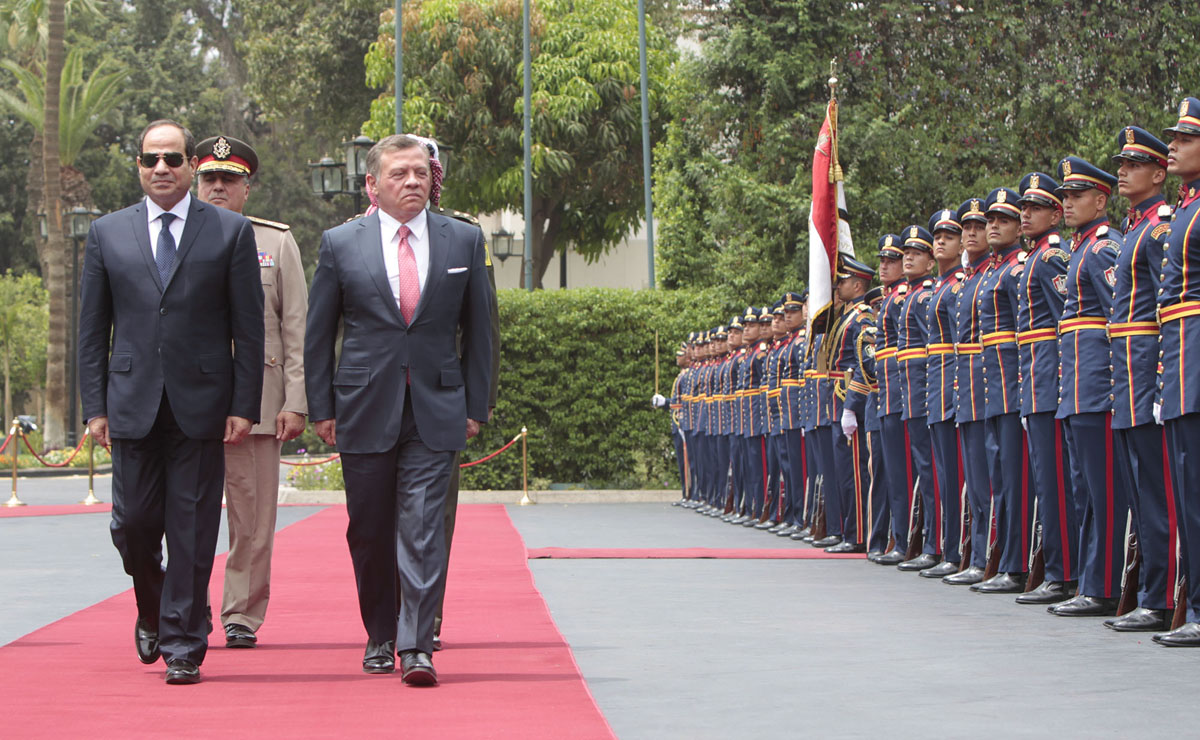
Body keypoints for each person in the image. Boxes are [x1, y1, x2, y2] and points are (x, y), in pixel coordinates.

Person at [77, 119, 265, 684]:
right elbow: (91, 330)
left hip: (202, 404)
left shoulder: (228, 232)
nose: (162, 168)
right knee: (133, 524)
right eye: (151, 158)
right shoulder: (108, 233)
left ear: (191, 166)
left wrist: (244, 403)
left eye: (173, 159)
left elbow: (249, 329)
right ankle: (152, 605)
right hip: (131, 400)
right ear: (138, 165)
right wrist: (94, 407)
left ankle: (183, 643)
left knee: (191, 526)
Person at [304, 134, 493, 684]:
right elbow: (319, 335)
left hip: (437, 406)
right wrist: (321, 407)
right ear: (372, 184)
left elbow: (481, 332)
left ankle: (415, 645)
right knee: (368, 529)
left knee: (424, 524)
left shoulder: (462, 240)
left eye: (419, 173)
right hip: (362, 406)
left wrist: (475, 404)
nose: (412, 182)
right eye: (398, 175)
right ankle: (380, 634)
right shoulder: (341, 243)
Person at [192, 134, 308, 649]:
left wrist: (296, 398)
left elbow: (295, 326)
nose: (219, 187)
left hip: (259, 398)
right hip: (186, 398)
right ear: (196, 183)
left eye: (229, 180)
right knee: (178, 513)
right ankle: (182, 608)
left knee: (253, 520)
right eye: (210, 179)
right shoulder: (172, 236)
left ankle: (241, 613)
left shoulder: (275, 242)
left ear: (246, 188)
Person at [1047, 156, 1127, 618]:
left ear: (1101, 200)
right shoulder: (1080, 251)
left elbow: (1122, 317)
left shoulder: (1101, 249)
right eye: (1066, 196)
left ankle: (1105, 585)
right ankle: (1089, 581)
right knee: (1085, 493)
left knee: (1104, 494)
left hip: (1098, 390)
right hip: (1076, 390)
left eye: (1077, 196)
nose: (1068, 203)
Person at [1105, 126, 1178, 632]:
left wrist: (1155, 380)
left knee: (1157, 496)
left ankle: (1163, 595)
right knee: (1139, 493)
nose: (1123, 172)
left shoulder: (1157, 232)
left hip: (1147, 380)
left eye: (1134, 165)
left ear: (1159, 173)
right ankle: (1151, 591)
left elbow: (1164, 310)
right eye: (1121, 165)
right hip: (1127, 383)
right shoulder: (1134, 229)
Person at [1013, 171, 1076, 606]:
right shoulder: (1034, 257)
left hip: (1051, 386)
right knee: (1045, 481)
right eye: (1024, 208)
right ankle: (1055, 569)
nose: (1025, 215)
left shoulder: (1052, 257)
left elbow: (1063, 327)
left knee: (1056, 485)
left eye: (1035, 208)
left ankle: (1063, 572)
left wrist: (1057, 385)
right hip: (1034, 386)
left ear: (1055, 214)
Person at [971, 188, 1032, 594]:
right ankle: (1002, 558)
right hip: (994, 389)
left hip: (1014, 387)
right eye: (990, 220)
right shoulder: (992, 271)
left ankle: (1017, 563)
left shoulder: (1018, 268)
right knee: (998, 478)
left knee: (1016, 480)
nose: (993, 226)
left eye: (1002, 220)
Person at [1155, 97, 1200, 646]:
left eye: (1185, 139)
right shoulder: (1188, 208)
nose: (1173, 147)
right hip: (1183, 368)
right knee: (1188, 490)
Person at [944, 198, 992, 586]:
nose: (974, 233)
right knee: (976, 483)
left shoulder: (998, 273)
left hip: (993, 390)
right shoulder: (971, 281)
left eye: (982, 225)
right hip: (970, 392)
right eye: (969, 228)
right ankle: (978, 555)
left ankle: (990, 555)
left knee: (993, 482)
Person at [921, 209, 966, 578]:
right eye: (938, 235)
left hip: (953, 390)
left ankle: (953, 549)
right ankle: (940, 546)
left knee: (954, 478)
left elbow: (959, 346)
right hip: (936, 393)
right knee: (939, 476)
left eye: (949, 237)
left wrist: (952, 393)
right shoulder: (938, 288)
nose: (941, 242)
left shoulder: (959, 287)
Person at [895, 226, 940, 572]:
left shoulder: (924, 297)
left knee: (931, 473)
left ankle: (935, 543)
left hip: (925, 395)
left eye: (916, 254)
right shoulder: (909, 296)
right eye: (905, 254)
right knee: (923, 473)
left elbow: (932, 352)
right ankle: (924, 541)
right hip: (911, 396)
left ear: (929, 262)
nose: (907, 258)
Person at [825, 255, 875, 554]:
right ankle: (847, 529)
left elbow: (862, 364)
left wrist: (852, 405)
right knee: (844, 472)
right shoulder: (847, 316)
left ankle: (857, 534)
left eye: (842, 281)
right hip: (838, 398)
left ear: (858, 284)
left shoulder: (862, 317)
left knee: (856, 472)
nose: (838, 286)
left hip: (850, 399)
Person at [870, 234, 910, 565]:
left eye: (891, 260)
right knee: (894, 475)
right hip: (888, 395)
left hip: (902, 395)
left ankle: (906, 538)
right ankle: (899, 538)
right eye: (882, 260)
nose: (885, 265)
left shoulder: (903, 299)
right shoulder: (890, 300)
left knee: (904, 474)